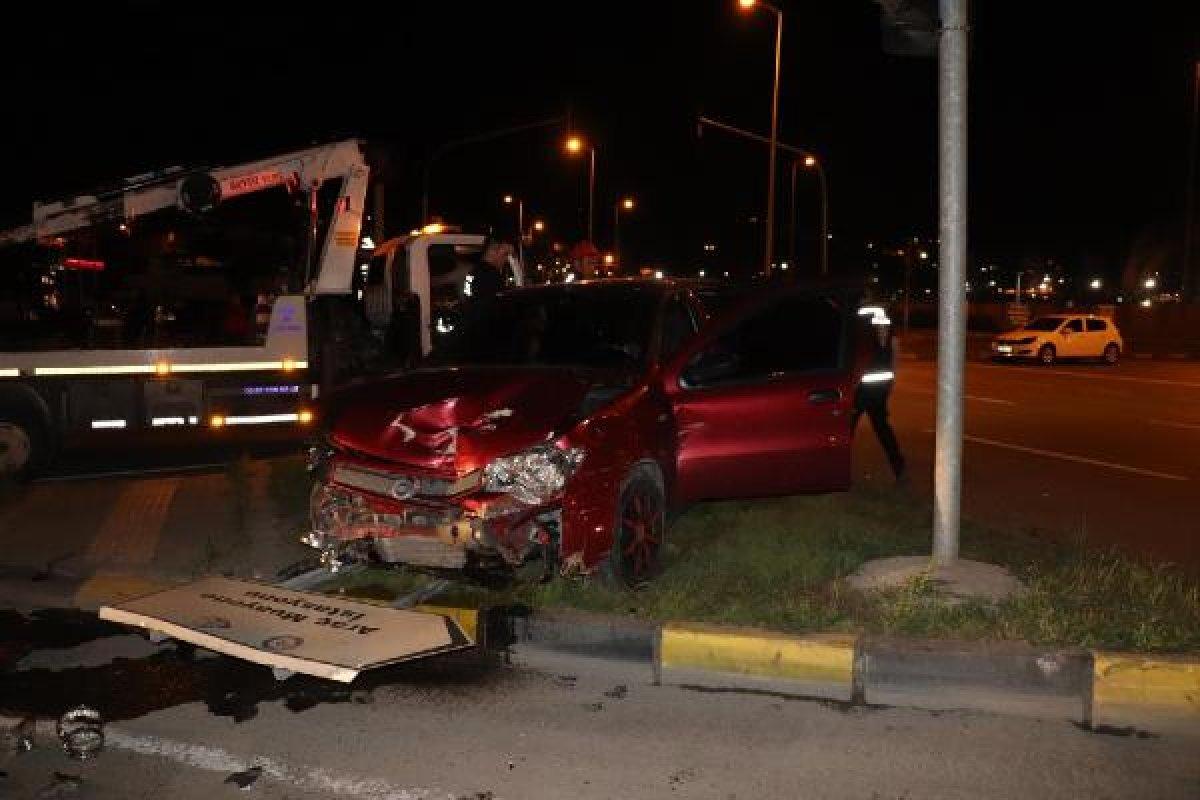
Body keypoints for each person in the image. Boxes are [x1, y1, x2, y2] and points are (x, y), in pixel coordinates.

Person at [852, 316, 907, 483]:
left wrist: (888, 389)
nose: (882, 328)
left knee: (884, 432)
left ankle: (899, 468)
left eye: (884, 325)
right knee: (847, 430)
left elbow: (894, 367)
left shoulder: (893, 342)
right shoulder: (867, 341)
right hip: (861, 394)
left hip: (878, 396)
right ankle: (834, 469)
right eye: (878, 326)